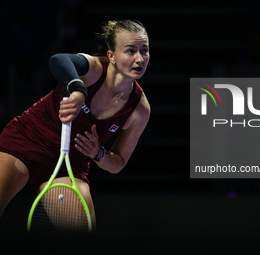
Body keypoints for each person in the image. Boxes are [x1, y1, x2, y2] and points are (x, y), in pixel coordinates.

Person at [0, 19, 151, 228]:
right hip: (27, 138)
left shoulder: (139, 110)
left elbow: (118, 163)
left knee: (80, 237)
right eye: (130, 51)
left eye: (144, 50)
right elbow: (58, 60)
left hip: (68, 164)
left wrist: (98, 153)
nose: (139, 58)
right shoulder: (93, 69)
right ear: (111, 56)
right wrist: (79, 89)